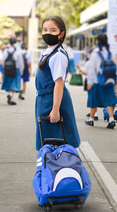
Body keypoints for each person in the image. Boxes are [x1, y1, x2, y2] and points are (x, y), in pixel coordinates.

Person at [35, 15, 80, 151]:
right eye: (45, 30)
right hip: (45, 100)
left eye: (53, 30)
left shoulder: (58, 55)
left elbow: (59, 83)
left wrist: (55, 109)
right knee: (48, 141)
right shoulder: (49, 52)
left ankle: (62, 170)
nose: (48, 33)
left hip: (53, 101)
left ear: (61, 34)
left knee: (59, 142)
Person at [86, 34, 117, 129]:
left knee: (94, 100)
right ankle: (111, 119)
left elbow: (92, 69)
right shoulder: (109, 52)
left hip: (98, 80)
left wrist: (89, 82)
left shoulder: (95, 53)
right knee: (108, 100)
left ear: (98, 41)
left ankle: (91, 120)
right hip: (108, 80)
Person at [1, 37, 24, 106]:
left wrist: (4, 68)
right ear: (16, 43)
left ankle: (11, 98)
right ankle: (10, 95)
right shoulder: (18, 51)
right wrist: (21, 70)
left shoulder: (5, 51)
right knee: (15, 84)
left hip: (7, 69)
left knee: (9, 84)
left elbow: (3, 61)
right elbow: (21, 63)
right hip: (15, 69)